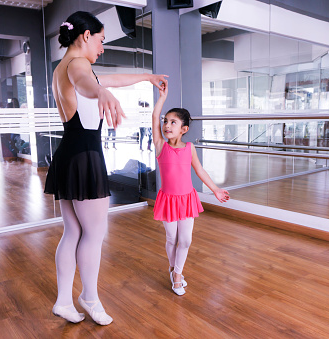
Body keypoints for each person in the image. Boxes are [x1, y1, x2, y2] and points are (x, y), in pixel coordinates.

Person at [44, 11, 167, 325]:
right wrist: (100, 92)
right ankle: (89, 297)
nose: (101, 48)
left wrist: (146, 78)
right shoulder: (77, 66)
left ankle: (62, 301)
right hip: (85, 155)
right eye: (100, 41)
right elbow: (87, 83)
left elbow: (108, 80)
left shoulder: (63, 66)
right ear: (86, 36)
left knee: (73, 231)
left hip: (68, 154)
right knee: (94, 233)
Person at [151, 82, 230, 296]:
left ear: (184, 129)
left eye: (173, 122)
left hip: (187, 199)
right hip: (168, 200)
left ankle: (177, 273)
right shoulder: (161, 146)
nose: (167, 125)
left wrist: (215, 190)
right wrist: (162, 98)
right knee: (171, 239)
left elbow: (200, 171)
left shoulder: (189, 148)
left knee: (185, 240)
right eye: (165, 122)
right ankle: (174, 271)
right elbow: (154, 117)